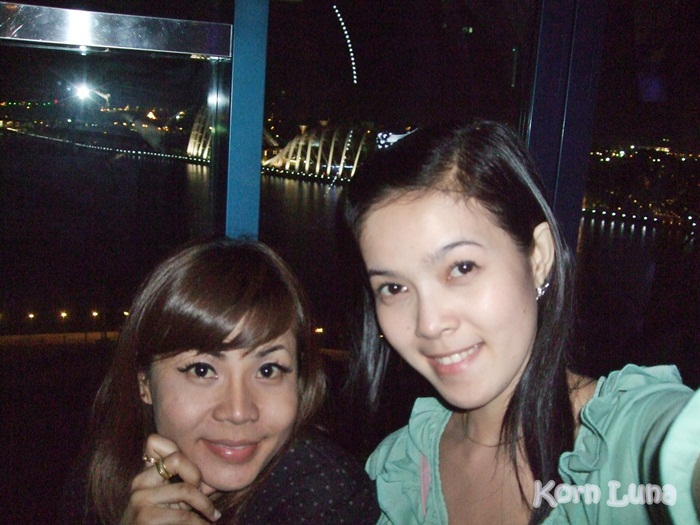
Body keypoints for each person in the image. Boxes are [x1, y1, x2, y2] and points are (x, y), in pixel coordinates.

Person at [340, 120, 700, 524]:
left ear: (538, 258)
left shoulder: (618, 439)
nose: (429, 324)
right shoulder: (398, 468)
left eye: (461, 267)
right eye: (393, 288)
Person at [65, 237, 379, 524]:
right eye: (202, 370)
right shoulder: (98, 479)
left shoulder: (323, 494)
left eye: (268, 370)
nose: (239, 412)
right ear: (144, 383)